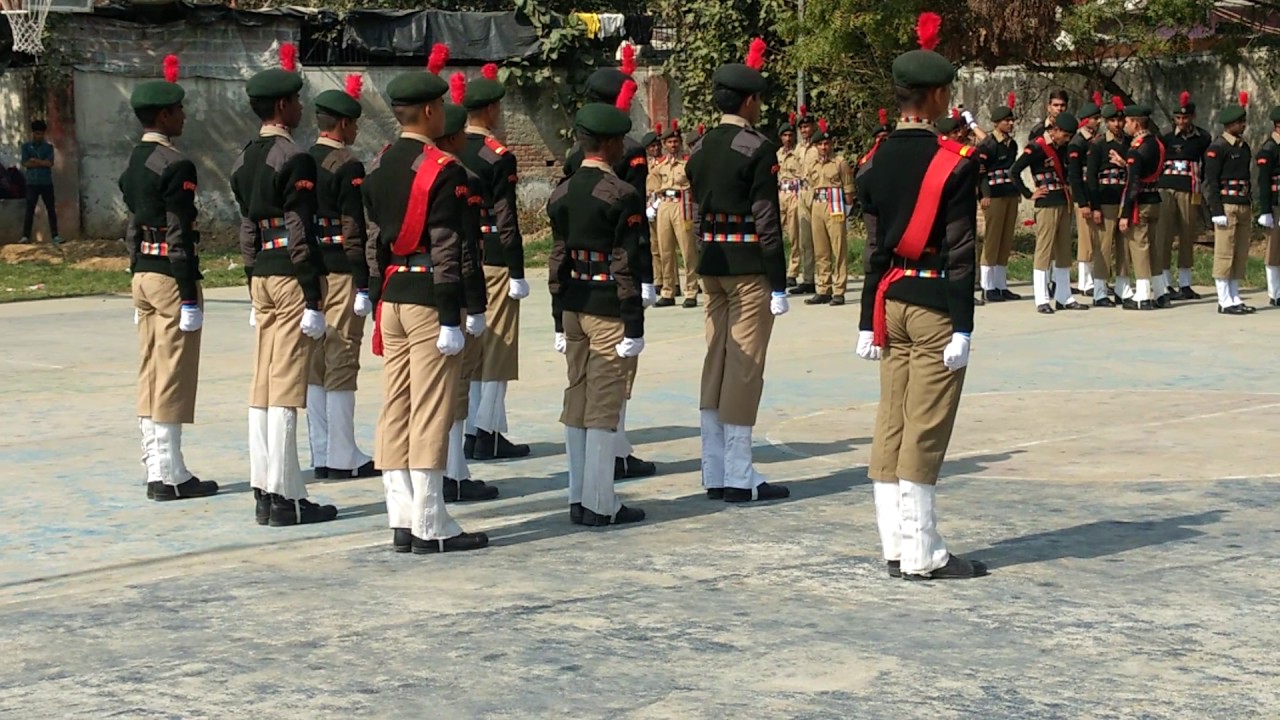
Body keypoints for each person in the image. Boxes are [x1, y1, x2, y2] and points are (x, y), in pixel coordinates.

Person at [856, 12, 985, 581]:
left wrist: (866, 320)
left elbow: (873, 252)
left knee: (892, 421)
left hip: (890, 304)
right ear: (935, 97)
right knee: (926, 426)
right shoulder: (953, 165)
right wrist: (965, 326)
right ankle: (923, 552)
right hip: (935, 305)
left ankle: (893, 544)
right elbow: (961, 253)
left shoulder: (874, 160)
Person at [362, 54, 489, 554]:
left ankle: (401, 515)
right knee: (432, 408)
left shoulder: (378, 164)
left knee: (396, 404)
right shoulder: (443, 170)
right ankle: (431, 521)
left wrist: (375, 298)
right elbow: (450, 247)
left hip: (392, 294)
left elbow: (375, 243)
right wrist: (454, 314)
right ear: (433, 111)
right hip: (428, 299)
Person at [231, 44, 338, 527]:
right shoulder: (293, 157)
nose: (300, 108)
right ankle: (287, 494)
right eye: (296, 100)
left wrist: (253, 272)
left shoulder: (243, 160)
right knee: (288, 387)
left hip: (263, 276)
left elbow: (248, 227)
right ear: (282, 108)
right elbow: (301, 231)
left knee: (264, 383)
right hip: (292, 276)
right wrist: (313, 295)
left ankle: (263, 486)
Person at [686, 38, 791, 503]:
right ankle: (738, 473)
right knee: (746, 367)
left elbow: (694, 214)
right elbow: (766, 218)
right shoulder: (758, 149)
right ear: (749, 102)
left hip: (712, 263)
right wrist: (779, 280)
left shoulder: (701, 146)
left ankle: (713, 468)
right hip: (749, 266)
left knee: (718, 359)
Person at [547, 102, 649, 526]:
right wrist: (635, 322)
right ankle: (600, 502)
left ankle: (577, 495)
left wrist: (557, 316)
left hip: (573, 304)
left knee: (577, 394)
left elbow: (556, 260)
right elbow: (627, 262)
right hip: (608, 307)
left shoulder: (562, 192)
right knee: (604, 402)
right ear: (609, 144)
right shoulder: (622, 195)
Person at [122, 55, 217, 502]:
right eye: (178, 110)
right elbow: (180, 233)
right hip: (168, 276)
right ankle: (170, 474)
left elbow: (132, 227)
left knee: (150, 370)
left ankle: (156, 465)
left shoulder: (134, 163)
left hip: (142, 270)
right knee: (174, 374)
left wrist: (133, 267)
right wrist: (189, 294)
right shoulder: (175, 164)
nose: (184, 116)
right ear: (164, 115)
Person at [564, 63, 658, 482]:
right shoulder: (631, 150)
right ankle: (614, 454)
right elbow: (634, 224)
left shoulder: (573, 158)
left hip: (576, 283)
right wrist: (647, 278)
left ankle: (591, 472)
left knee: (581, 381)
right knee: (615, 375)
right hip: (615, 278)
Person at [457, 63, 531, 462]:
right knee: (498, 348)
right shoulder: (497, 156)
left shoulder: (449, 149)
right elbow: (507, 219)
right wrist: (517, 270)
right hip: (496, 258)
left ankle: (473, 428)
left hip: (464, 254)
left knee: (471, 346)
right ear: (489, 111)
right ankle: (487, 432)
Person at [305, 77, 377, 481]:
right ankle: (342, 453)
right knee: (343, 357)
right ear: (344, 126)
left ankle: (322, 447)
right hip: (339, 269)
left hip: (311, 269)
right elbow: (355, 230)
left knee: (315, 360)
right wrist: (363, 281)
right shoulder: (347, 165)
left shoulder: (301, 159)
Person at [437, 72, 499, 503]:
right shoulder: (462, 179)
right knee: (455, 384)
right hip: (451, 292)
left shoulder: (397, 166)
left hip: (403, 290)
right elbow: (465, 251)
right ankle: (453, 472)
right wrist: (475, 307)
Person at [1011, 111, 1088, 313]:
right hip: (1046, 204)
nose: (1067, 139)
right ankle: (1041, 298)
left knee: (1063, 251)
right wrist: (1029, 193)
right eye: (1065, 135)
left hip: (1063, 201)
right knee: (1044, 250)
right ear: (1055, 131)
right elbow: (1014, 171)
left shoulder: (1063, 148)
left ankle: (1064, 296)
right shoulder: (1037, 147)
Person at [1205, 95, 1256, 315]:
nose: (1243, 125)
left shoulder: (1244, 147)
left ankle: (1235, 296)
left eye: (1243, 121)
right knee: (1224, 252)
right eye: (1239, 122)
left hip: (1242, 204)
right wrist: (1216, 210)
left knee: (1240, 252)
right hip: (1226, 205)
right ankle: (1223, 299)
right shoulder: (1218, 148)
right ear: (1229, 125)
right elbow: (1211, 182)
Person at [1159, 92, 1211, 300]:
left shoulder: (1203, 137)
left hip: (1189, 189)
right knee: (1164, 235)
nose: (1181, 122)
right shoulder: (1166, 136)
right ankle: (1164, 281)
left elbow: (1206, 162)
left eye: (1185, 118)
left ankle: (1185, 282)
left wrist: (1200, 180)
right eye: (1178, 118)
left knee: (1187, 234)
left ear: (1193, 117)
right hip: (1166, 188)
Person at [975, 92, 1022, 302]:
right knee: (992, 240)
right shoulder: (987, 144)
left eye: (1012, 120)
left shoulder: (1011, 144)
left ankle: (1001, 284)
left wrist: (1018, 191)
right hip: (993, 195)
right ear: (996, 123)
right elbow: (981, 172)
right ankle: (987, 285)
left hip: (1009, 193)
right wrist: (984, 194)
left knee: (1006, 239)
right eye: (1007, 121)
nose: (1010, 124)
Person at [1117, 103, 1165, 310]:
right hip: (1155, 198)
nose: (1124, 125)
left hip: (1141, 203)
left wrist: (1125, 214)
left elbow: (1133, 184)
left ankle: (1143, 294)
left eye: (1127, 122)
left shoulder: (1136, 150)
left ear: (1135, 123)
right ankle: (1161, 291)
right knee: (1152, 247)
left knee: (1139, 247)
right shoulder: (1157, 143)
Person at [650, 119, 701, 308]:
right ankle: (668, 290)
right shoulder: (660, 165)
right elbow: (653, 185)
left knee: (687, 249)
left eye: (676, 141)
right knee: (665, 250)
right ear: (664, 144)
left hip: (682, 204)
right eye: (669, 142)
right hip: (664, 205)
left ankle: (691, 291)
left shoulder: (687, 162)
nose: (673, 145)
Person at [803, 118, 853, 306]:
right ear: (816, 146)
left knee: (838, 248)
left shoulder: (840, 163)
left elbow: (848, 190)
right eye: (821, 144)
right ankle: (824, 288)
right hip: (817, 205)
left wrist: (846, 213)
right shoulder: (812, 164)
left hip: (835, 206)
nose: (824, 147)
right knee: (820, 249)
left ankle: (839, 290)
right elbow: (809, 186)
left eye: (827, 143)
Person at [1088, 98, 1131, 306]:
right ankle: (1099, 291)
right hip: (1105, 200)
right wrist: (1094, 206)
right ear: (1106, 122)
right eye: (1113, 121)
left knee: (1125, 246)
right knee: (1103, 247)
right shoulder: (1098, 145)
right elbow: (1091, 178)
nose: (1117, 124)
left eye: (1120, 120)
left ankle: (1123, 288)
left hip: (1123, 199)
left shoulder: (1130, 143)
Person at [1067, 94, 1103, 303]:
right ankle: (1085, 281)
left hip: (1094, 189)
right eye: (1095, 118)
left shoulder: (1095, 141)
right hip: (1083, 192)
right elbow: (1074, 176)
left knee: (1094, 236)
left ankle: (1091, 278)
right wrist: (1081, 202)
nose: (1098, 122)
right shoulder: (1077, 143)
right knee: (1086, 237)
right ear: (1086, 120)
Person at [789, 109, 818, 296]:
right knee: (804, 238)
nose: (805, 130)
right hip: (802, 192)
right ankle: (808, 279)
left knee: (820, 239)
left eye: (807, 126)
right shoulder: (799, 149)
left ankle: (824, 279)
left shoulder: (820, 145)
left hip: (817, 192)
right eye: (802, 127)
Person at [778, 113, 809, 290]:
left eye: (790, 135)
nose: (788, 138)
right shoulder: (777, 154)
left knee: (794, 235)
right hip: (780, 194)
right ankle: (779, 268)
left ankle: (793, 271)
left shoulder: (798, 153)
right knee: (777, 234)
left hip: (794, 194)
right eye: (785, 135)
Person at [1254, 106, 1280, 305]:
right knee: (1274, 249)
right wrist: (1265, 210)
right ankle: (1275, 292)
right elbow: (1263, 181)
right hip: (1276, 204)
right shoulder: (1269, 148)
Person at [20, 119, 60, 245]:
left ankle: (55, 236)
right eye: (37, 133)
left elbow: (49, 163)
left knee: (51, 210)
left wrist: (35, 161)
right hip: (32, 183)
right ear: (33, 133)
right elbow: (26, 163)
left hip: (46, 182)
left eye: (41, 134)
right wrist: (41, 162)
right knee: (29, 210)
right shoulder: (26, 147)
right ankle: (25, 236)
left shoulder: (48, 147)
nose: (39, 136)